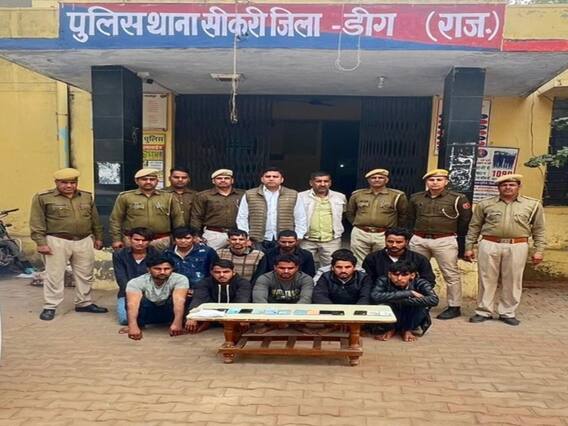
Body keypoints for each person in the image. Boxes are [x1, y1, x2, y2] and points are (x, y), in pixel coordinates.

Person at [465, 174, 545, 326]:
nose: (508, 187)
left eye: (512, 185)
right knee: (486, 278)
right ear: (498, 187)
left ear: (519, 187)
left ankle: (507, 312)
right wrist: (469, 247)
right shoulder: (485, 204)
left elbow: (539, 229)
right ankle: (483, 311)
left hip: (517, 245)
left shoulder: (533, 205)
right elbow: (474, 226)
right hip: (489, 243)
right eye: (504, 185)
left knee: (513, 279)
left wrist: (539, 250)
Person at [30, 168, 107, 321]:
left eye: (73, 182)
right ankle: (50, 306)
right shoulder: (43, 197)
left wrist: (98, 237)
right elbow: (37, 221)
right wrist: (40, 242)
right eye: (64, 183)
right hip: (57, 240)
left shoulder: (86, 196)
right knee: (54, 275)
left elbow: (95, 219)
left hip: (83, 240)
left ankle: (84, 303)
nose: (69, 186)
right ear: (56, 182)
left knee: (85, 274)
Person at [407, 168, 472, 320]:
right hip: (419, 239)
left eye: (439, 179)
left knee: (450, 274)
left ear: (446, 182)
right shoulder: (416, 198)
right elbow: (410, 218)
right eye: (431, 180)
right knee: (414, 272)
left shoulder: (458, 198)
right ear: (426, 182)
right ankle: (418, 301)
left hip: (445, 240)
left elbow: (465, 220)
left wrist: (456, 236)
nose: (435, 183)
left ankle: (454, 306)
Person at [109, 168, 185, 251]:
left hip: (161, 240)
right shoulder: (125, 197)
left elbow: (178, 219)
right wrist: (116, 239)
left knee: (161, 259)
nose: (148, 182)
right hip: (133, 241)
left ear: (157, 181)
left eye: (152, 179)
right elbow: (116, 220)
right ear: (136, 181)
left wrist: (180, 238)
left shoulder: (168, 197)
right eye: (144, 179)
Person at [346, 168, 408, 265]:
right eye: (373, 178)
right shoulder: (357, 194)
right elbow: (350, 212)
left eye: (380, 177)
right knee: (359, 262)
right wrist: (358, 224)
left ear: (386, 180)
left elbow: (403, 215)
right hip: (361, 232)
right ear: (368, 180)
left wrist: (394, 231)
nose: (377, 180)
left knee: (382, 260)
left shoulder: (397, 195)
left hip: (384, 233)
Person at [236, 167, 307, 251]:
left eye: (275, 176)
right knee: (258, 259)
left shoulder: (293, 194)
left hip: (285, 240)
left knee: (282, 259)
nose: (271, 179)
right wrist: (245, 237)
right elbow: (242, 217)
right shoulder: (250, 194)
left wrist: (298, 236)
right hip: (256, 239)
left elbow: (300, 218)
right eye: (268, 176)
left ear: (282, 179)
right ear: (262, 179)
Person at [370, 261, 439, 342]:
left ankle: (407, 330)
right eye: (395, 275)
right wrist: (408, 293)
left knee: (420, 305)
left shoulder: (420, 282)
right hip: (392, 313)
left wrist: (402, 300)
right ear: (389, 274)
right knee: (381, 305)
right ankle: (390, 329)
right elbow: (375, 296)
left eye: (404, 275)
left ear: (412, 275)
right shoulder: (383, 280)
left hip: (411, 316)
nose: (399, 278)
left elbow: (434, 300)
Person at [124, 254, 189, 340]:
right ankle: (139, 324)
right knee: (131, 299)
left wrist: (178, 323)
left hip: (168, 311)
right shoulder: (135, 282)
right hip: (148, 312)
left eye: (167, 269)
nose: (162, 272)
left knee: (186, 297)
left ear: (172, 269)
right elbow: (132, 304)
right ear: (148, 269)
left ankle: (177, 322)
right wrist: (133, 326)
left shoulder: (180, 279)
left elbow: (179, 301)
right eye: (157, 269)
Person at [186, 259, 252, 333]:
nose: (222, 275)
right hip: (211, 314)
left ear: (233, 272)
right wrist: (192, 316)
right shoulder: (204, 282)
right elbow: (198, 299)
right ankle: (207, 323)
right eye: (217, 272)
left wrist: (243, 317)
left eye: (226, 272)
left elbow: (242, 300)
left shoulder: (243, 283)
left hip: (233, 314)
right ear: (211, 272)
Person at [298, 171, 347, 267]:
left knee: (330, 267)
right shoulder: (300, 196)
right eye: (318, 181)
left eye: (326, 181)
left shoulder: (340, 196)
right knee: (303, 266)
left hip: (331, 240)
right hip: (307, 239)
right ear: (311, 183)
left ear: (330, 183)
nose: (323, 184)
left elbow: (345, 214)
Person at [112, 227, 159, 325]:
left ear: (149, 241)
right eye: (136, 240)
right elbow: (121, 278)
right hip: (127, 293)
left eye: (144, 240)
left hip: (150, 293)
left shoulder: (156, 254)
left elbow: (158, 277)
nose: (140, 243)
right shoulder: (119, 255)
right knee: (125, 319)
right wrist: (133, 295)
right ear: (130, 239)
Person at [190, 169, 245, 250]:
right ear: (213, 181)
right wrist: (195, 235)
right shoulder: (203, 196)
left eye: (226, 178)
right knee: (210, 256)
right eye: (219, 178)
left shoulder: (243, 195)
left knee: (238, 256)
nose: (223, 180)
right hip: (214, 234)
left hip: (238, 234)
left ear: (232, 180)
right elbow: (196, 217)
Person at [362, 227, 436, 285]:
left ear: (406, 242)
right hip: (380, 295)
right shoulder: (372, 258)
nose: (394, 245)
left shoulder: (419, 259)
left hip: (411, 295)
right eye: (390, 241)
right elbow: (367, 282)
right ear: (385, 240)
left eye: (399, 242)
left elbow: (428, 281)